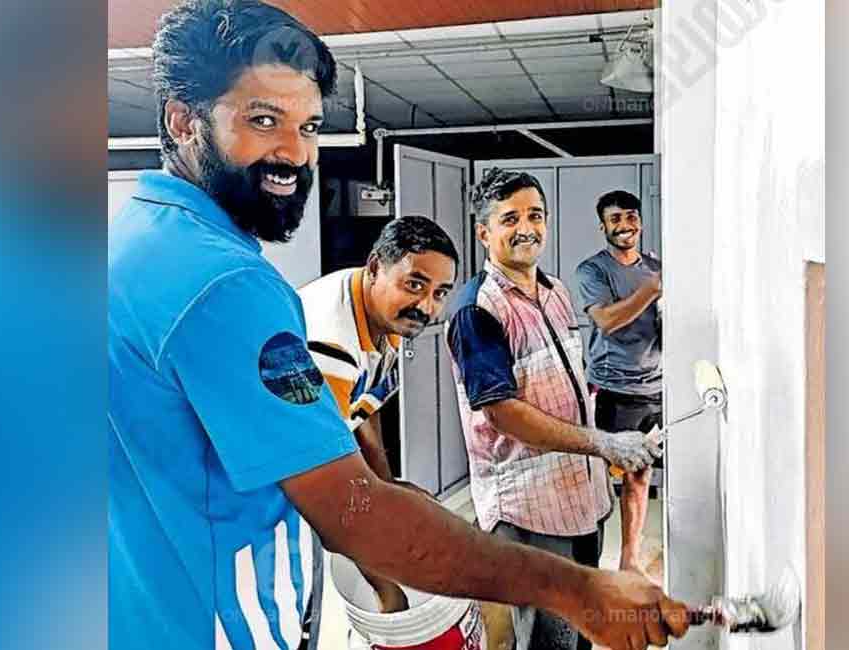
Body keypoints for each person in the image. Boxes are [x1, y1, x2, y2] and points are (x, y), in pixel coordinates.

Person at [107, 3, 689, 650]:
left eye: (308, 126)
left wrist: (385, 487)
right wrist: (579, 590)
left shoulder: (138, 240)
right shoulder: (230, 287)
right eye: (263, 121)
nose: (295, 154)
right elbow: (352, 512)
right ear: (183, 121)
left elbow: (353, 436)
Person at [443, 168, 668, 650]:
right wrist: (603, 442)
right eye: (510, 219)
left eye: (535, 215)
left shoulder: (555, 290)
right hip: (530, 514)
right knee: (549, 641)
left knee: (582, 630)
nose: (527, 228)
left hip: (581, 501)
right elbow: (502, 412)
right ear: (483, 233)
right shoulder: (478, 310)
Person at [297, 215, 458, 613]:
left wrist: (386, 485)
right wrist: (389, 592)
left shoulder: (382, 315)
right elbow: (333, 496)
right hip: (242, 498)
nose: (426, 306)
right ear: (374, 267)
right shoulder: (330, 343)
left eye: (440, 293)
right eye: (415, 284)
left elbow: (364, 407)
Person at [575, 190, 664, 581]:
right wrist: (652, 290)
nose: (625, 225)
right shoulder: (593, 271)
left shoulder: (655, 267)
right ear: (603, 226)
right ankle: (586, 567)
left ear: (640, 221)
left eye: (631, 217)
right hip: (612, 389)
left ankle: (629, 562)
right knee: (596, 480)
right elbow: (607, 321)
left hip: (655, 389)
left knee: (639, 476)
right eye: (615, 219)